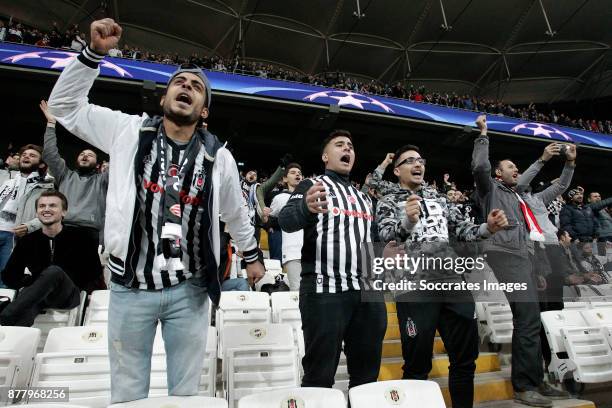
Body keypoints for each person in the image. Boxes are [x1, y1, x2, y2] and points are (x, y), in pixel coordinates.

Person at [47, 18, 265, 403]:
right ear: (163, 99)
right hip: (130, 288)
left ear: (204, 111)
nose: (187, 87)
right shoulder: (126, 132)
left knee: (184, 395)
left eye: (197, 87)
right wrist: (93, 54)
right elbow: (65, 107)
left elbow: (235, 214)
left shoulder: (220, 157)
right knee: (128, 392)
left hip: (191, 291)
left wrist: (252, 256)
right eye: (179, 83)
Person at [376, 144, 508, 408]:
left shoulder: (439, 198)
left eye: (420, 160)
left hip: (452, 283)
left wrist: (487, 227)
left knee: (464, 360)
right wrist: (407, 223)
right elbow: (386, 238)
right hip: (414, 287)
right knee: (416, 366)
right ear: (397, 170)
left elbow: (462, 228)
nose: (418, 164)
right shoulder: (388, 201)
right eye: (410, 160)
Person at [278, 129, 387, 390]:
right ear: (325, 156)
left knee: (366, 378)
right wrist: (305, 207)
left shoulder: (364, 198)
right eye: (339, 145)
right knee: (320, 375)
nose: (347, 148)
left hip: (366, 293)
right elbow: (286, 220)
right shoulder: (312, 185)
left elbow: (370, 242)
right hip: (324, 291)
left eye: (350, 145)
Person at [471, 114, 567, 407]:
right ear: (498, 175)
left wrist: (537, 268)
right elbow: (479, 166)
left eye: (516, 167)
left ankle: (535, 380)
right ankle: (525, 385)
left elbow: (527, 230)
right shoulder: (490, 190)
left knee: (531, 320)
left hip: (522, 257)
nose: (517, 171)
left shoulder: (517, 196)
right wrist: (483, 134)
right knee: (527, 318)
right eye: (511, 167)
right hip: (503, 254)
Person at [515, 143, 576, 386]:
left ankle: (559, 357)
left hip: (553, 250)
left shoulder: (538, 197)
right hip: (535, 252)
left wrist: (570, 163)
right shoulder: (515, 196)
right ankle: (543, 358)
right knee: (542, 309)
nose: (521, 175)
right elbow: (520, 184)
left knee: (557, 306)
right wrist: (542, 159)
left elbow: (561, 185)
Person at [0, 190, 104, 326]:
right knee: (26, 307)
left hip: (69, 294)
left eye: (53, 206)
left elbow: (94, 273)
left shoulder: (82, 238)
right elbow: (9, 276)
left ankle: (4, 316)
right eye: (42, 206)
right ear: (37, 212)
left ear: (64, 212)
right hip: (38, 295)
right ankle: (12, 338)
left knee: (54, 271)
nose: (46, 209)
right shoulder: (27, 240)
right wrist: (31, 282)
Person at [41, 100, 109, 244]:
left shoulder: (103, 179)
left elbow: (119, 160)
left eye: (90, 155)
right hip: (62, 229)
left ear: (97, 164)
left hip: (91, 233)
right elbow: (50, 154)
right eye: (82, 154)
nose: (85, 155)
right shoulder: (65, 175)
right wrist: (51, 124)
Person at [0, 144, 54, 286]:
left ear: (41, 163)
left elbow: (49, 214)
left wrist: (29, 226)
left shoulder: (46, 185)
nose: (26, 156)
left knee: (6, 280)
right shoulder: (7, 181)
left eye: (32, 155)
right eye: (24, 154)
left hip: (17, 235)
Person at [269, 163, 303, 290]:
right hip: (293, 251)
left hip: (311, 251)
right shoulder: (280, 198)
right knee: (298, 293)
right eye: (293, 172)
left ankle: (284, 285)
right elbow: (269, 220)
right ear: (284, 179)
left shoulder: (310, 198)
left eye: (299, 173)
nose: (297, 174)